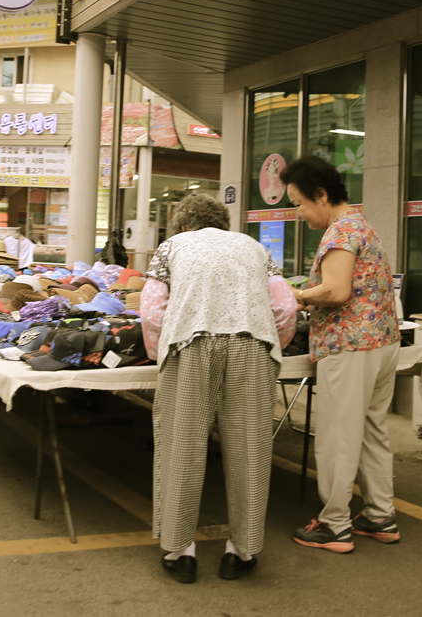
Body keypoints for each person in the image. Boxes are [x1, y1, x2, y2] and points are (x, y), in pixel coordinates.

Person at [140, 193, 296, 583]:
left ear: (181, 225)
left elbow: (152, 308)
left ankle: (180, 551)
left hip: (190, 344)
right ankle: (241, 552)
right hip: (251, 345)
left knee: (182, 444)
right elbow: (285, 307)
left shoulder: (171, 247)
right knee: (250, 447)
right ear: (225, 225)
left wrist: (158, 350)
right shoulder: (256, 248)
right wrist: (273, 341)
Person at [281, 155, 400, 553]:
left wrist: (294, 296)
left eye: (298, 202)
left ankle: (334, 524)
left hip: (351, 346)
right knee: (370, 432)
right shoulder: (362, 225)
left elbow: (335, 290)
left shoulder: (341, 231)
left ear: (321, 195)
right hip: (381, 343)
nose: (298, 212)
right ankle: (380, 515)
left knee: (338, 436)